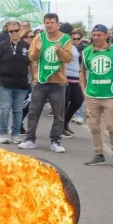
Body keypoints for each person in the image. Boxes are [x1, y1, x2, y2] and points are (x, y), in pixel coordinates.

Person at [18, 13, 73, 153]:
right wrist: (36, 50)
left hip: (58, 83)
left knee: (59, 115)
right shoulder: (39, 37)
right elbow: (30, 56)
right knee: (33, 112)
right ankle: (30, 139)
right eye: (47, 22)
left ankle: (55, 141)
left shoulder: (65, 39)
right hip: (41, 81)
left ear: (57, 24)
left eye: (52, 22)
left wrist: (59, 51)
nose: (49, 25)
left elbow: (68, 59)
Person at [81, 24, 113, 168]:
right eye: (94, 35)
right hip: (92, 95)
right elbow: (82, 72)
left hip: (110, 95)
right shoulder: (87, 52)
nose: (96, 38)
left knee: (112, 126)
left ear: (106, 35)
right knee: (94, 126)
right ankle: (98, 154)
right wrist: (83, 91)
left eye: (99, 35)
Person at [0, 20, 30, 144]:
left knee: (18, 110)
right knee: (5, 109)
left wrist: (34, 78)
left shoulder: (26, 46)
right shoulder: (2, 45)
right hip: (5, 83)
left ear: (20, 31)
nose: (13, 33)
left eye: (16, 31)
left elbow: (32, 64)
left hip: (21, 84)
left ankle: (15, 134)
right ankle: (3, 133)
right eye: (11, 31)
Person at [59, 22, 81, 139]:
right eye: (70, 33)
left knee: (78, 101)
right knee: (64, 103)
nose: (72, 35)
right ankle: (60, 128)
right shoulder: (62, 44)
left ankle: (66, 123)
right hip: (65, 77)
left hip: (75, 77)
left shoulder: (71, 44)